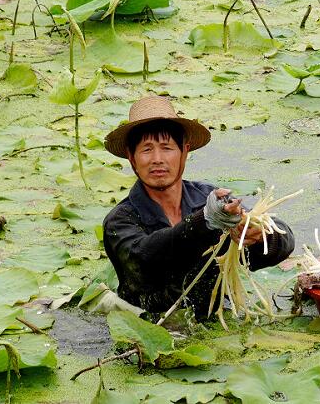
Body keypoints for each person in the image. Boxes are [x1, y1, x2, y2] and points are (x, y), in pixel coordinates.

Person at [102, 96, 295, 319]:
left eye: (166, 148)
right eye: (146, 150)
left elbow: (283, 241)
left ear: (184, 151)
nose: (157, 159)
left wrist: (258, 234)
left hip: (214, 320)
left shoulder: (208, 199)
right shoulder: (120, 221)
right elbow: (145, 258)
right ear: (131, 158)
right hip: (146, 326)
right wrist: (205, 222)